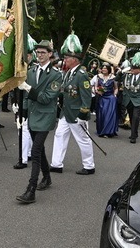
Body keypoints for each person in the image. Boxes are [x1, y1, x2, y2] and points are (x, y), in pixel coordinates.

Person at [15, 39, 62, 204]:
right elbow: (28, 98)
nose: (40, 55)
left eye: (43, 52)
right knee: (39, 150)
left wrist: (28, 88)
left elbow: (46, 98)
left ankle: (31, 190)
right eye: (38, 52)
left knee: (34, 152)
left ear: (50, 54)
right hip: (33, 116)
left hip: (45, 116)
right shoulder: (32, 70)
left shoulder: (56, 75)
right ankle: (47, 177)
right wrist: (22, 111)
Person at [49, 31, 95, 175]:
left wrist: (83, 113)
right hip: (65, 112)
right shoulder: (68, 73)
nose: (65, 59)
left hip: (76, 114)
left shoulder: (82, 75)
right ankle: (56, 164)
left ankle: (89, 166)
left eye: (67, 57)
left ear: (74, 59)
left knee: (83, 140)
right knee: (59, 135)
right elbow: (65, 91)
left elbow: (87, 97)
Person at [121, 53, 140, 143]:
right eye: (132, 68)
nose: (133, 70)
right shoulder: (126, 76)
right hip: (128, 100)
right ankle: (134, 132)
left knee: (136, 117)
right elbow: (117, 79)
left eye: (135, 68)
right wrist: (122, 71)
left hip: (138, 100)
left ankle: (133, 137)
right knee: (132, 117)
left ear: (139, 70)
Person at [90, 62, 118, 138]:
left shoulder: (113, 77)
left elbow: (116, 88)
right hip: (101, 97)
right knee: (101, 114)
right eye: (103, 68)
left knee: (108, 115)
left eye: (105, 68)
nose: (104, 69)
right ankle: (101, 130)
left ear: (108, 69)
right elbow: (95, 86)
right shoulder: (98, 76)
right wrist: (96, 91)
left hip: (110, 98)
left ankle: (108, 132)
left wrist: (114, 95)